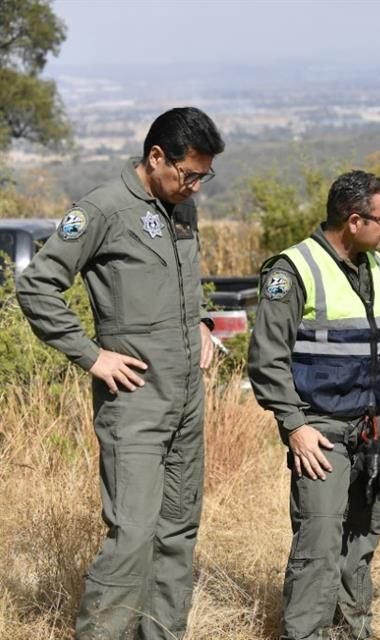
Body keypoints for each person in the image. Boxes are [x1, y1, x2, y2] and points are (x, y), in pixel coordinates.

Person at [16, 107, 225, 639]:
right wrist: (92, 355)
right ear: (156, 157)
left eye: (204, 176)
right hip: (134, 404)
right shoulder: (103, 208)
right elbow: (36, 285)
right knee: (132, 536)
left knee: (177, 532)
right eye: (189, 174)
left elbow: (179, 283)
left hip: (185, 398)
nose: (196, 187)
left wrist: (200, 321)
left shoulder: (181, 208)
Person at [247, 170, 380, 640]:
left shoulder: (379, 267)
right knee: (318, 544)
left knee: (363, 538)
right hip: (320, 431)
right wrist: (294, 425)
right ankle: (307, 633)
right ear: (353, 219)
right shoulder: (292, 270)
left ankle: (353, 629)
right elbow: (266, 361)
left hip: (372, 428)